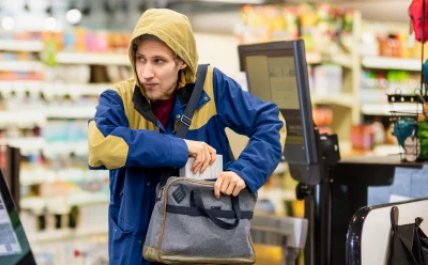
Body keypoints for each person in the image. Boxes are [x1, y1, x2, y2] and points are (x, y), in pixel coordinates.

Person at [87, 8, 285, 265]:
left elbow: (270, 123)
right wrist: (180, 148)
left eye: (159, 61)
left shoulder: (212, 87)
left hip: (201, 248)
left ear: (182, 61)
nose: (146, 73)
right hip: (136, 249)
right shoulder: (118, 99)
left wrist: (245, 172)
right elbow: (99, 146)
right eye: (141, 59)